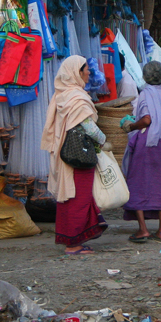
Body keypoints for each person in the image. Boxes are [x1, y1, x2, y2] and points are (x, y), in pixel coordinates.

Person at [41, 55, 109, 255]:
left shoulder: (61, 95)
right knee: (79, 199)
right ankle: (73, 244)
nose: (89, 71)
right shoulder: (76, 98)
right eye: (86, 68)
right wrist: (105, 141)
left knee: (70, 197)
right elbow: (89, 127)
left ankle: (74, 238)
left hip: (66, 156)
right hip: (79, 157)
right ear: (76, 72)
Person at [121, 61, 161, 243]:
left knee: (137, 180)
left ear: (145, 77)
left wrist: (131, 126)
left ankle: (143, 229)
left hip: (148, 141)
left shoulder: (146, 93)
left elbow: (146, 120)